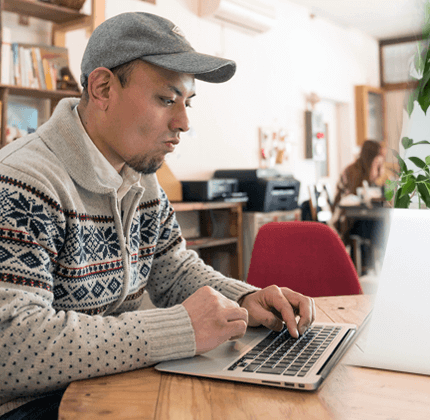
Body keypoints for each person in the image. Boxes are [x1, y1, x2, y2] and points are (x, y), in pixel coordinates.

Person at [0, 12, 315, 418]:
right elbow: (12, 348)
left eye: (187, 102)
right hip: (30, 405)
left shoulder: (138, 173)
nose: (183, 122)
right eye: (167, 100)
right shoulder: (22, 182)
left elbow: (173, 268)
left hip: (108, 383)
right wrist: (179, 330)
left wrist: (244, 298)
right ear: (102, 89)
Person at [331, 140, 386, 270]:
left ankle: (370, 266)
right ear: (371, 157)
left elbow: (376, 190)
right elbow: (357, 195)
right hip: (347, 219)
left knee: (381, 224)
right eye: (377, 160)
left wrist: (378, 170)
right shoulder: (353, 171)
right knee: (379, 227)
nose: (379, 162)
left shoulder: (366, 170)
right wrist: (373, 169)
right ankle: (367, 267)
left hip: (363, 217)